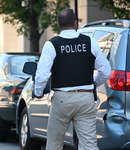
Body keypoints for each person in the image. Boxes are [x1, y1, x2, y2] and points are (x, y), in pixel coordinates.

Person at [34, 8, 111, 150]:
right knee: (89, 144)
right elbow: (106, 72)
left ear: (59, 25)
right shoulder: (90, 42)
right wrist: (93, 84)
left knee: (55, 144)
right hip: (86, 98)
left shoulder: (52, 45)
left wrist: (38, 92)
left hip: (62, 99)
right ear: (76, 23)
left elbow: (42, 75)